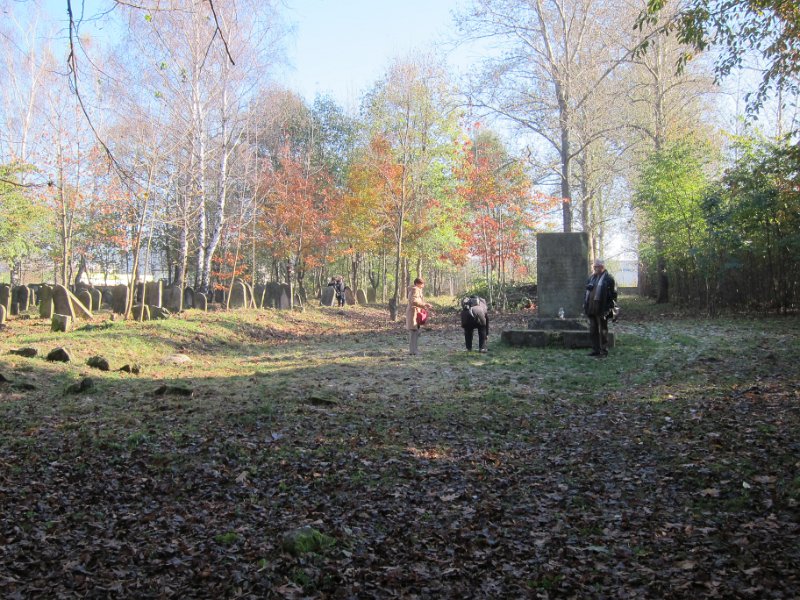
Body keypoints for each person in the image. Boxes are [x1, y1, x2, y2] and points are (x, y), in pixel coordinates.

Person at [583, 258, 618, 357]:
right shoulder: (591, 278)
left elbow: (613, 295)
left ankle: (604, 350)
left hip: (602, 308)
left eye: (596, 266)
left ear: (602, 267)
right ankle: (595, 349)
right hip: (591, 308)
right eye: (594, 266)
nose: (594, 268)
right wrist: (585, 304)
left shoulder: (609, 279)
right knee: (593, 330)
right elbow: (586, 293)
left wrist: (609, 308)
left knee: (603, 330)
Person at [405, 277, 432, 356]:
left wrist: (424, 305)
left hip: (416, 312)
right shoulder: (415, 290)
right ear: (417, 283)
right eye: (422, 283)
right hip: (413, 313)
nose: (423, 285)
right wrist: (424, 305)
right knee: (414, 332)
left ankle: (414, 350)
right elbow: (413, 301)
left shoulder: (417, 290)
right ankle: (413, 351)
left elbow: (418, 301)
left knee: (415, 332)